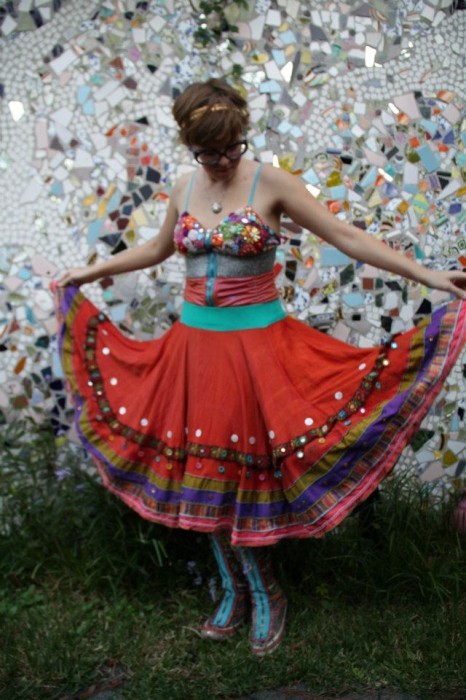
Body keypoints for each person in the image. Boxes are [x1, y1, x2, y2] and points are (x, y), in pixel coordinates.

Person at [55, 78, 466, 656]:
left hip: (260, 352)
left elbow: (346, 237)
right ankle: (231, 589)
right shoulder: (184, 185)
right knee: (204, 472)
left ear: (242, 136)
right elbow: (155, 251)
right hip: (194, 351)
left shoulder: (270, 182)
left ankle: (267, 590)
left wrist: (429, 277)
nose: (222, 161)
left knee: (244, 472)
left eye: (231, 148)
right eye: (209, 152)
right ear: (189, 145)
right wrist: (87, 274)